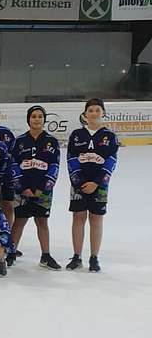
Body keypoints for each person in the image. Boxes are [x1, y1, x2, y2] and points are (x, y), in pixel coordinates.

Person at [66, 98, 119, 272]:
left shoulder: (110, 136)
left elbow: (111, 161)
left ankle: (94, 257)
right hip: (78, 184)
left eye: (97, 110)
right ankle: (77, 256)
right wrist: (80, 182)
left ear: (103, 112)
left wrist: (97, 182)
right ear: (85, 114)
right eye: (91, 110)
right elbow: (71, 159)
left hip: (100, 185)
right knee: (78, 218)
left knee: (96, 219)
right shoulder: (76, 135)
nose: (94, 113)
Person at [9, 105, 61, 270]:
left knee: (42, 222)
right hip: (22, 190)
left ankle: (46, 255)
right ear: (28, 119)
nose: (37, 119)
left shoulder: (52, 141)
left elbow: (54, 165)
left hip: (42, 190)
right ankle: (11, 252)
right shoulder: (19, 141)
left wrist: (44, 187)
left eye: (40, 116)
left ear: (44, 120)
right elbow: (13, 164)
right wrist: (22, 187)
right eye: (33, 116)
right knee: (19, 221)